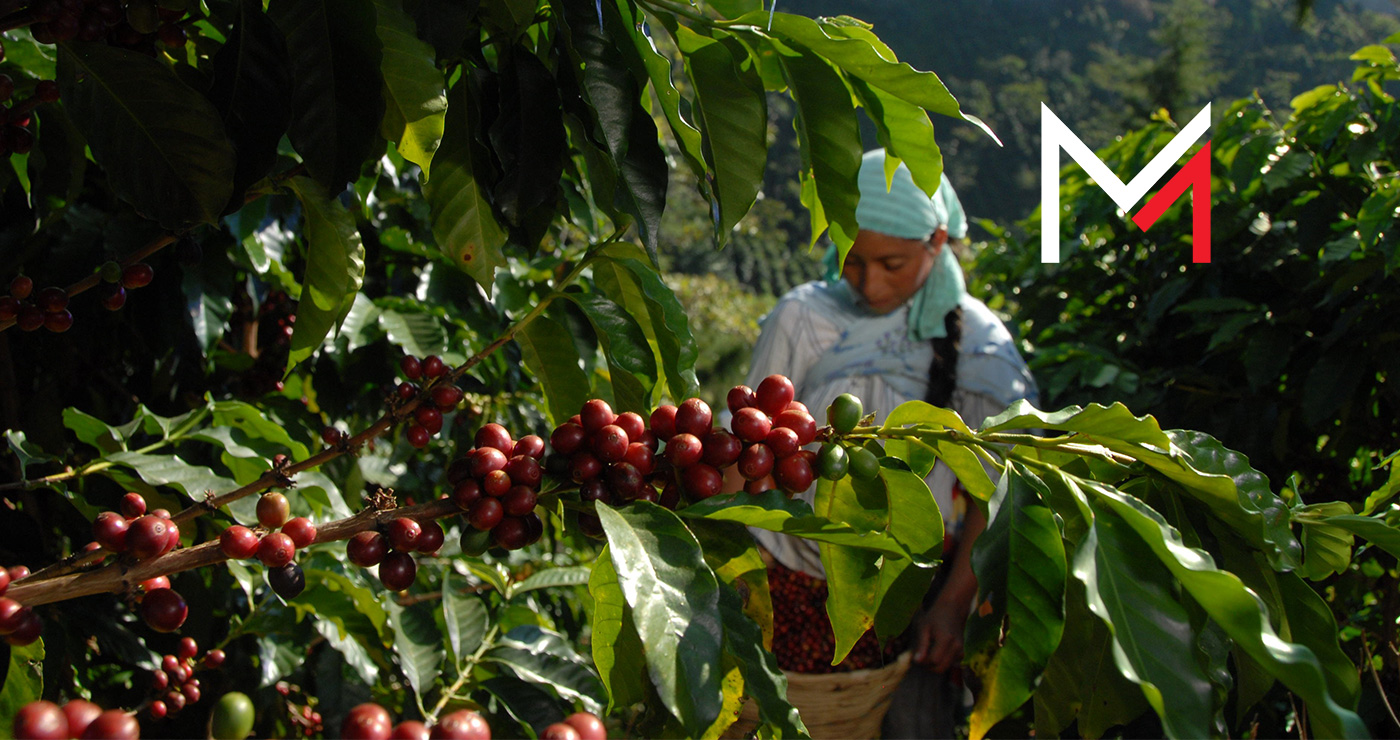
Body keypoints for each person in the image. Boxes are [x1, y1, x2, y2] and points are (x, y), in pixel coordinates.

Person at [731, 149, 1039, 738]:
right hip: (781, 583)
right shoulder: (802, 317)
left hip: (901, 600)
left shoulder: (981, 348)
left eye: (892, 263)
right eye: (852, 261)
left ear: (937, 241)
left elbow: (995, 493)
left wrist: (952, 605)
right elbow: (750, 444)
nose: (869, 283)